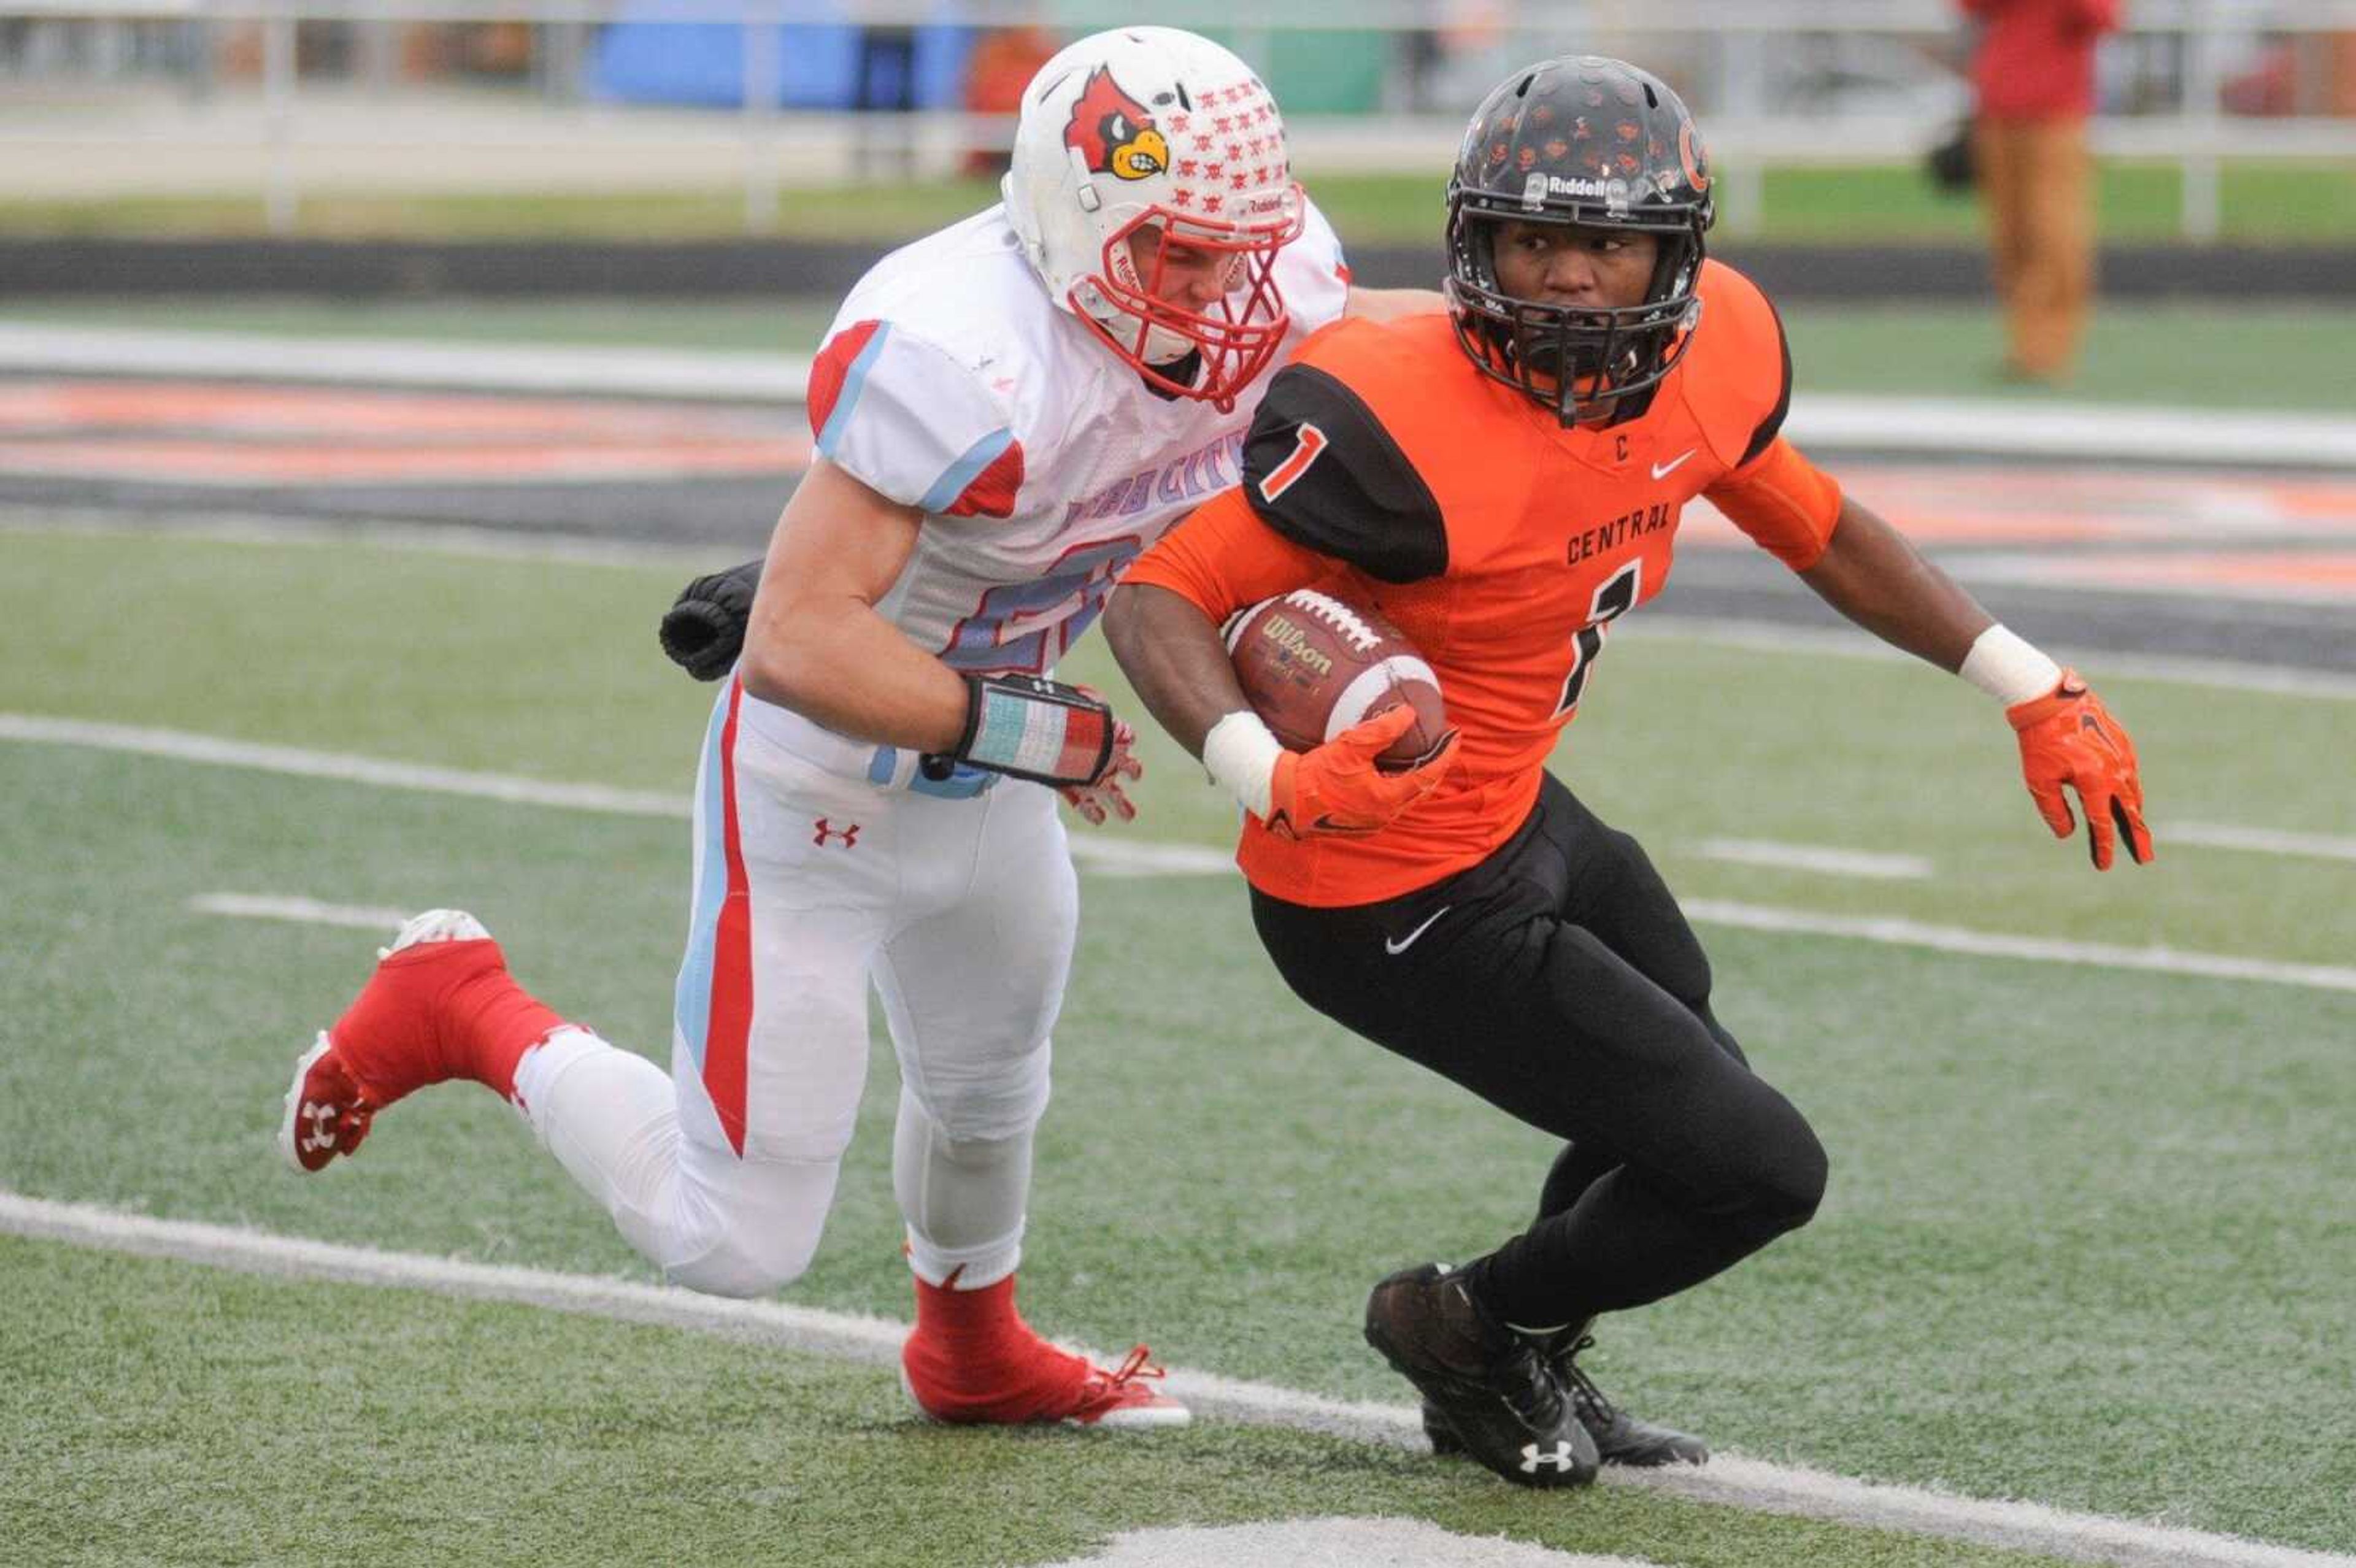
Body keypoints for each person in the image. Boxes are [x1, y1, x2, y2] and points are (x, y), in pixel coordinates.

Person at [277, 26, 1439, 1431]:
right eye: (1174, 257)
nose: (1217, 293)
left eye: (1232, 251)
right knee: (734, 1237)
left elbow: (1349, 356)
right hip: (826, 777)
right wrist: (1028, 734)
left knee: (988, 1084)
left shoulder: (1265, 280)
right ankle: (460, 1003)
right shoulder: (965, 349)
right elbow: (796, 637)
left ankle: (969, 1350)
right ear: (1076, 222)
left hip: (998, 768)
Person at [1103, 54, 2154, 1486]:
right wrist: (1254, 766)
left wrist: (2025, 682)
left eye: (1602, 241)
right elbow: (1157, 592)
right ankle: (1461, 1327)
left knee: (1680, 1075)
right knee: (1756, 1168)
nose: (1566, 278)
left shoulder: (1710, 351)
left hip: (1516, 813)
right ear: (1474, 241)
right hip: (1375, 884)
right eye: (1531, 237)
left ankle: (1516, 1348)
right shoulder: (1390, 419)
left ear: (1672, 254)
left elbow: (1817, 527)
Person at [1960, 0, 2120, 383]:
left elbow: (2102, 18)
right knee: (2010, 234)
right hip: (1998, 106)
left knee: (2056, 233)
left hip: (2058, 114)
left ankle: (2053, 348)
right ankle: (2024, 343)